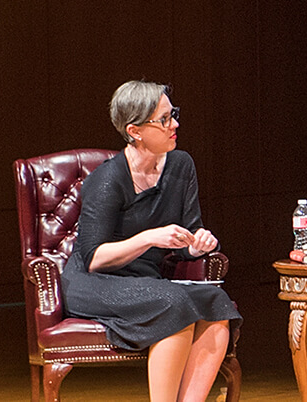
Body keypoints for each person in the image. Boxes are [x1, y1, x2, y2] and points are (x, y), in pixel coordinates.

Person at [61, 80, 240, 402]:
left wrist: (196, 245)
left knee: (216, 302)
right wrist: (147, 238)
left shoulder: (181, 165)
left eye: (174, 114)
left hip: (145, 280)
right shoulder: (108, 180)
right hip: (94, 283)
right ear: (135, 130)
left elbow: (187, 237)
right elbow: (94, 258)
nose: (175, 125)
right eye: (164, 119)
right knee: (172, 303)